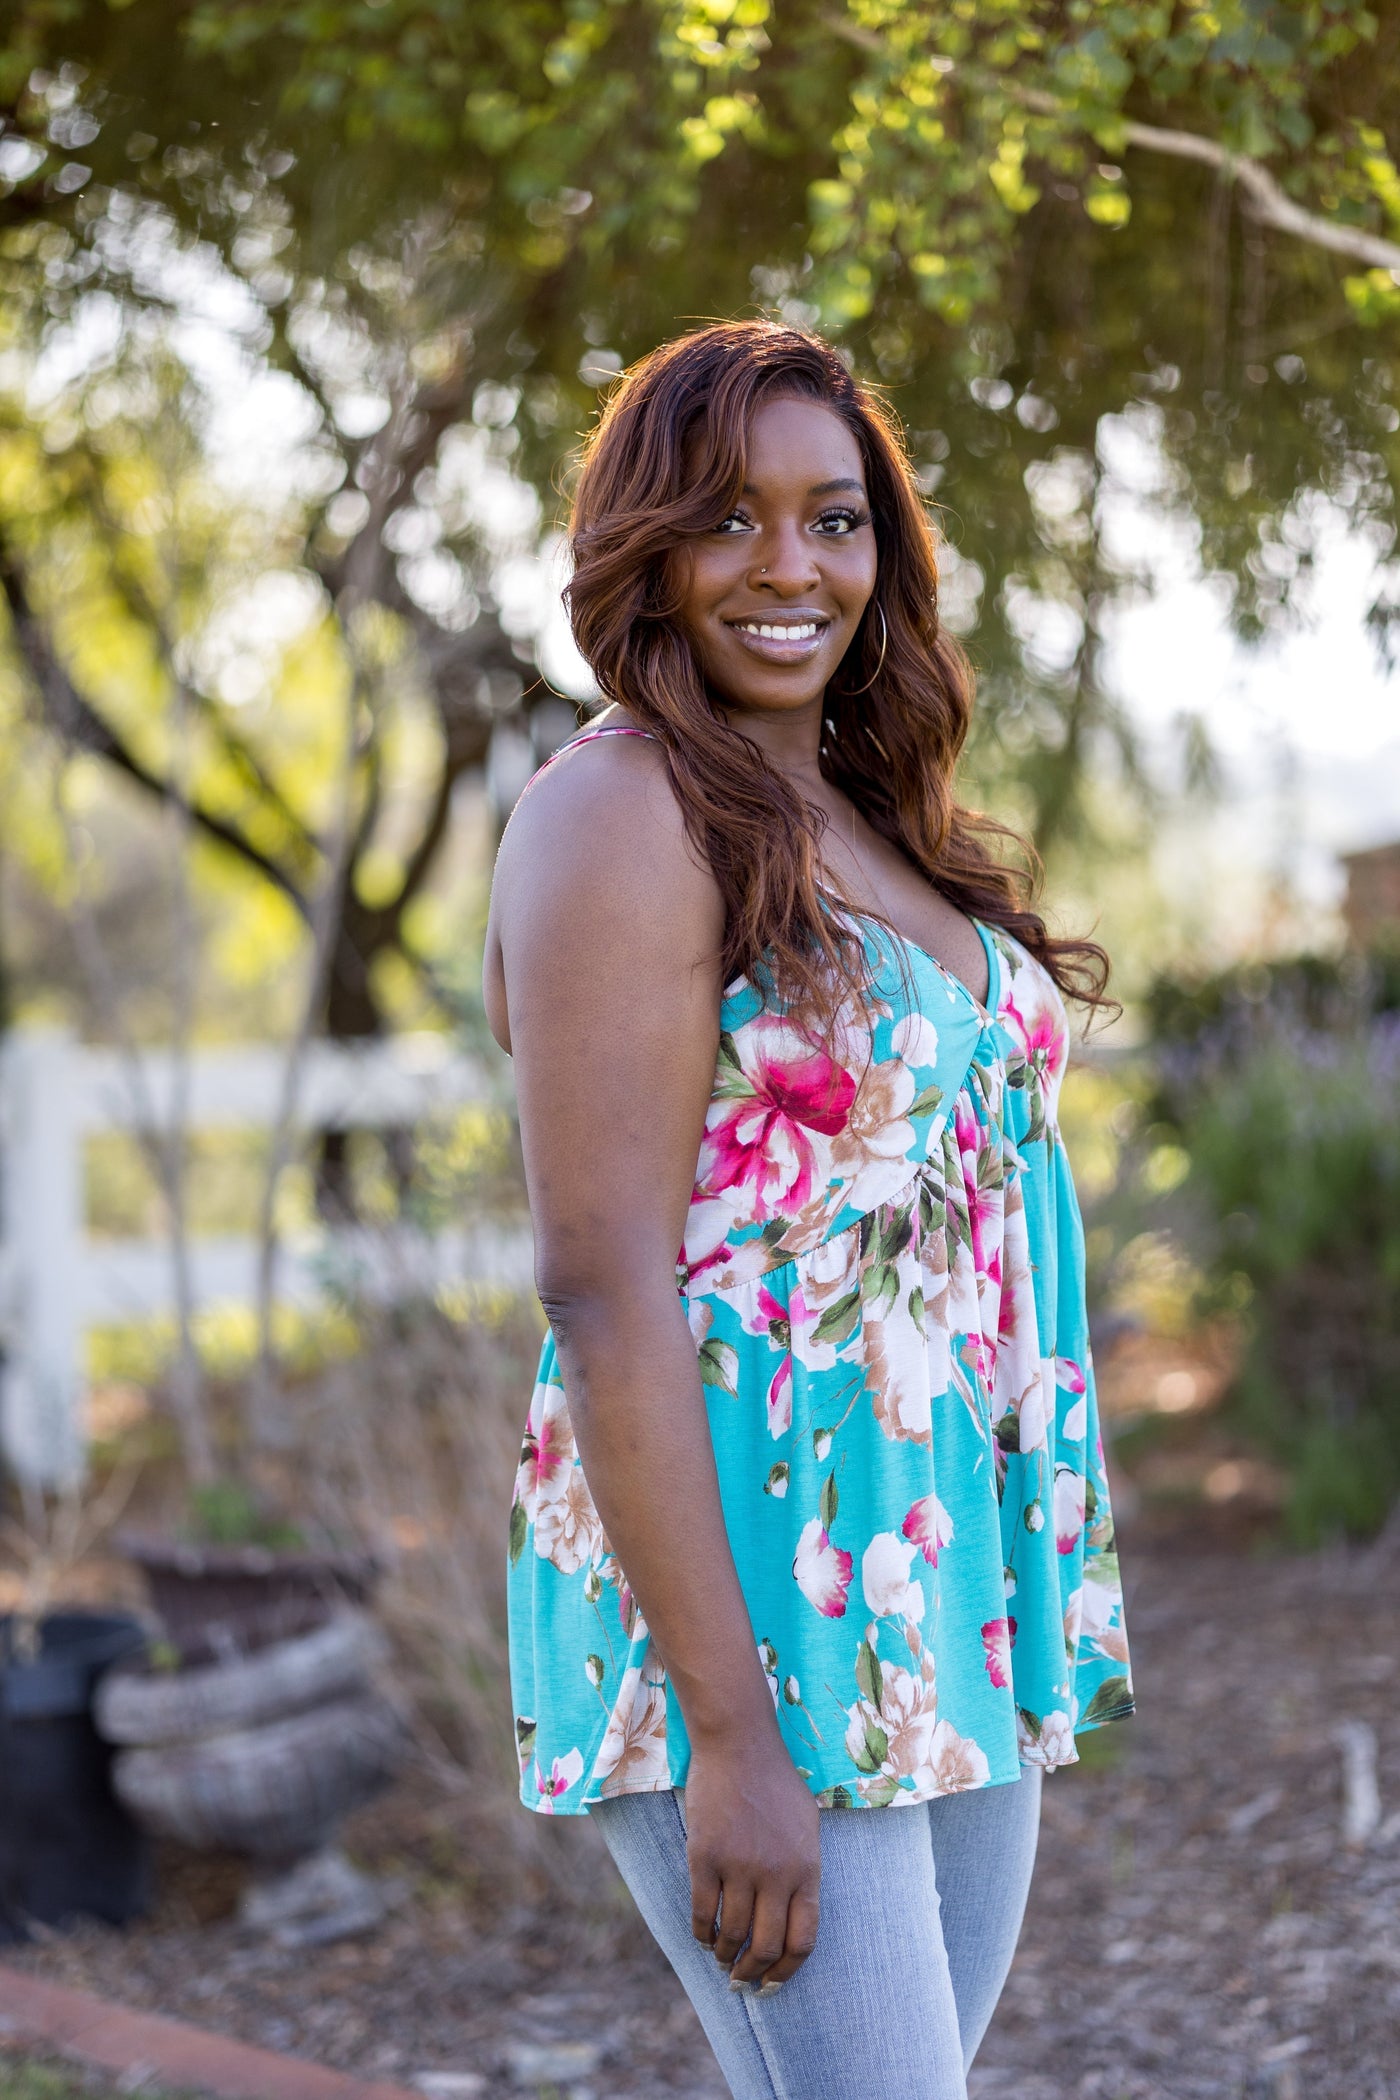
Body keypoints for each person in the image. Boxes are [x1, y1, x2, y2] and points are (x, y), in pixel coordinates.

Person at [485, 321, 1133, 2100]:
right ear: (649, 549)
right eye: (732, 519)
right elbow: (601, 1290)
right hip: (756, 1613)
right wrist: (730, 1733)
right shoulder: (620, 814)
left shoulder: (858, 810)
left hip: (942, 1583)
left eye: (834, 520)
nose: (791, 568)